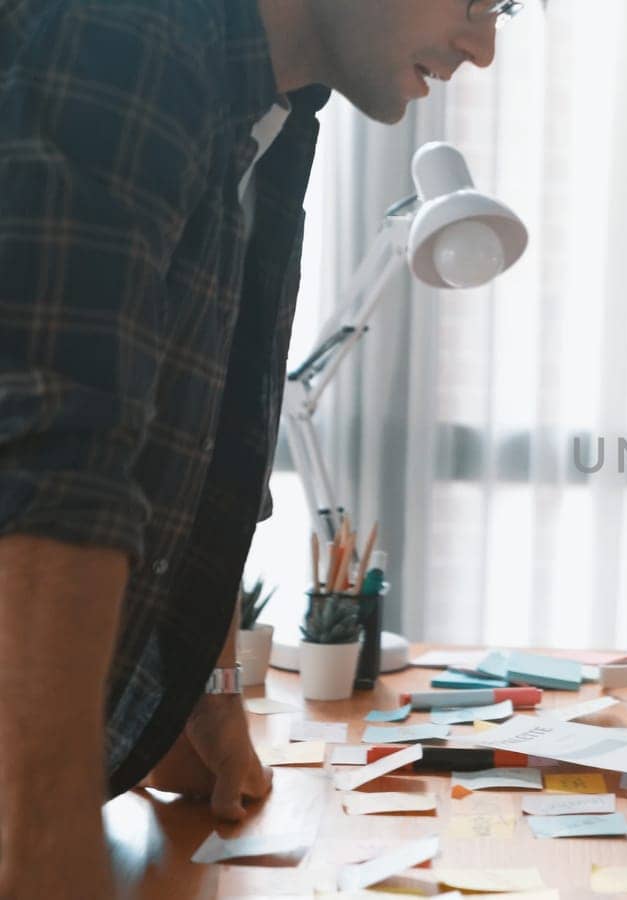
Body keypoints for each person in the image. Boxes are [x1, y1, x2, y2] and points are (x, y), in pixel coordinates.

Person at [0, 0, 512, 894]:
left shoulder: (276, 114)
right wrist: (45, 841)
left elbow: (204, 448)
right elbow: (53, 468)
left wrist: (207, 696)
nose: (483, 46)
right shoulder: (125, 32)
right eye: (475, 0)